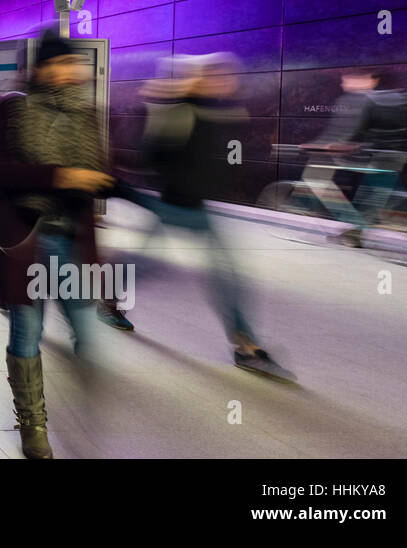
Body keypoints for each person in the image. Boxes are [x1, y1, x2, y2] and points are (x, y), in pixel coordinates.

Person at [0, 30, 115, 459]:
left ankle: (85, 416)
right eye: (54, 64)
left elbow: (102, 170)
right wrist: (60, 176)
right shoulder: (12, 108)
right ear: (39, 68)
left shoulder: (86, 113)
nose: (63, 72)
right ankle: (32, 422)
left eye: (68, 63)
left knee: (87, 328)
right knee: (27, 331)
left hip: (71, 239)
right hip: (26, 237)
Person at [125, 54, 296, 383]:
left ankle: (246, 345)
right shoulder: (180, 111)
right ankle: (99, 296)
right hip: (175, 204)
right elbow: (150, 157)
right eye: (218, 76)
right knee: (148, 267)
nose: (227, 81)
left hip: (197, 208)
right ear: (200, 78)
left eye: (229, 76)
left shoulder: (213, 110)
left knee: (225, 274)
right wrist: (163, 104)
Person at [307, 68, 407, 247]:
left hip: (381, 157)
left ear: (370, 79)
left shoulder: (364, 100)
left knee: (389, 203)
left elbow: (349, 131)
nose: (344, 83)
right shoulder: (392, 98)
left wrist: (324, 145)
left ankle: (356, 232)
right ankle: (354, 234)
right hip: (394, 156)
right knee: (376, 200)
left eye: (349, 79)